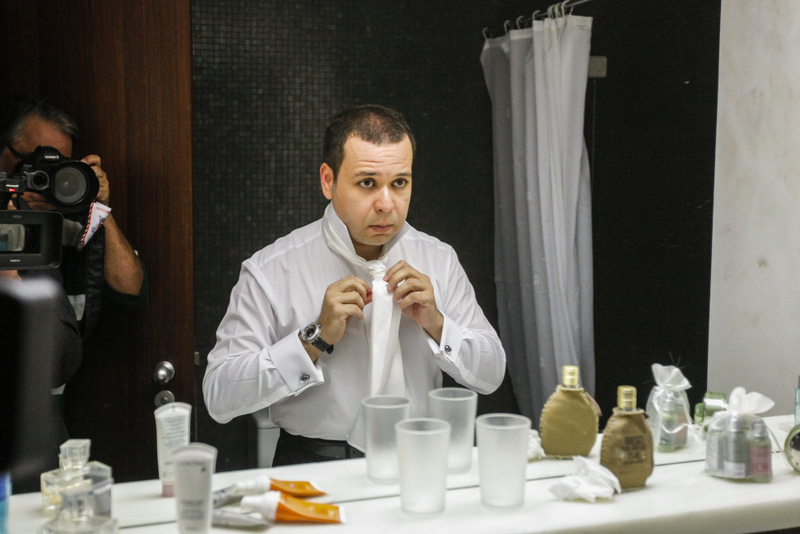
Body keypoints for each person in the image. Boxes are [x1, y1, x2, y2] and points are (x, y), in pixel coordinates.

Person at [203, 104, 506, 465]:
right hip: (313, 467)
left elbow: (491, 374)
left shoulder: (439, 260)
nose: (386, 204)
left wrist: (438, 325)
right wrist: (312, 341)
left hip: (419, 461)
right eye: (367, 183)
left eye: (399, 183)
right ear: (327, 180)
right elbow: (219, 396)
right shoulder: (270, 270)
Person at [0, 94, 148, 339]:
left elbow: (130, 294)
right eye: (31, 162)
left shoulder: (74, 224)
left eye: (55, 167)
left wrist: (97, 205)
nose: (42, 177)